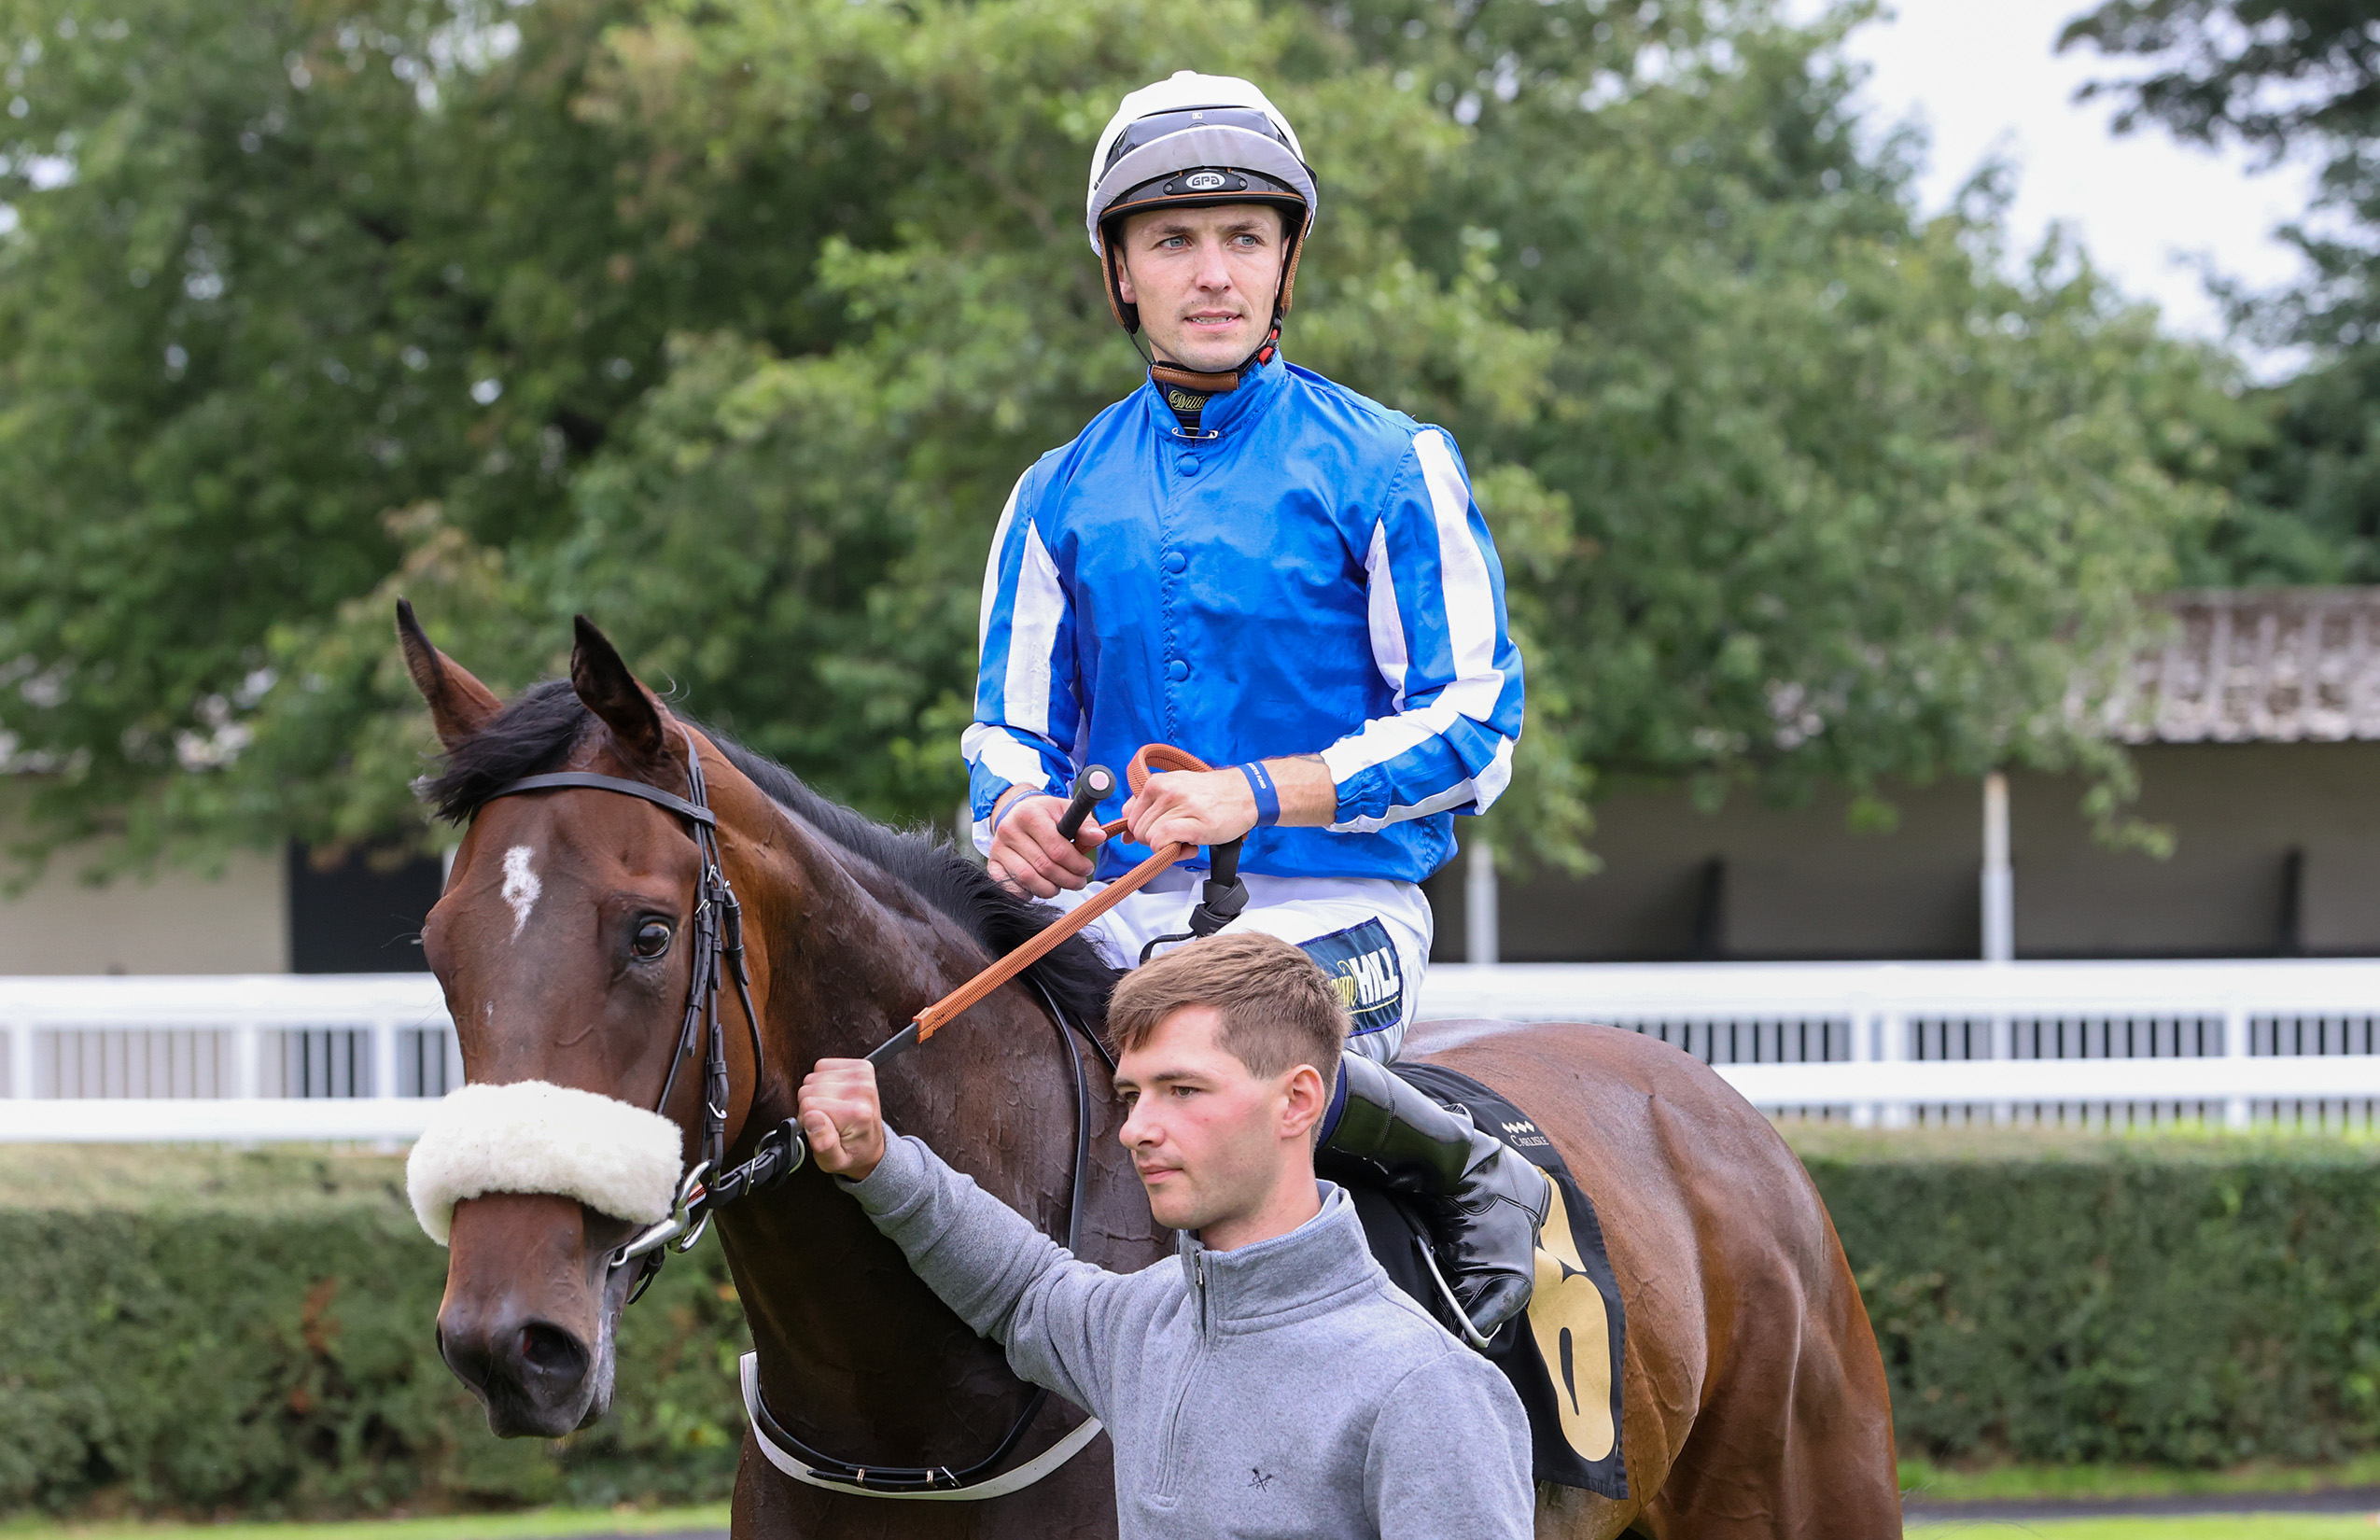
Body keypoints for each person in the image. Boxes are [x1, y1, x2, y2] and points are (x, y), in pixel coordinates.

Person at [965, 69, 1545, 1337]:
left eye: (1244, 237)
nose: (1213, 273)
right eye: (1173, 241)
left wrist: (1261, 793)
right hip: (1107, 919)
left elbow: (1474, 724)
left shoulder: (1393, 463)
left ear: (1288, 262)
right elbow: (1009, 732)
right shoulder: (1054, 492)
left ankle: (1469, 1178)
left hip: (1331, 914)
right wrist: (1015, 812)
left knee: (1207, 1040)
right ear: (1121, 273)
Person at [796, 932, 1535, 1539]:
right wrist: (879, 1162)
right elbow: (1022, 1290)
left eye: (1182, 1090)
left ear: (1297, 1101)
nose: (1136, 1130)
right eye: (1131, 1094)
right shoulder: (1145, 1326)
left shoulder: (1427, 1389)